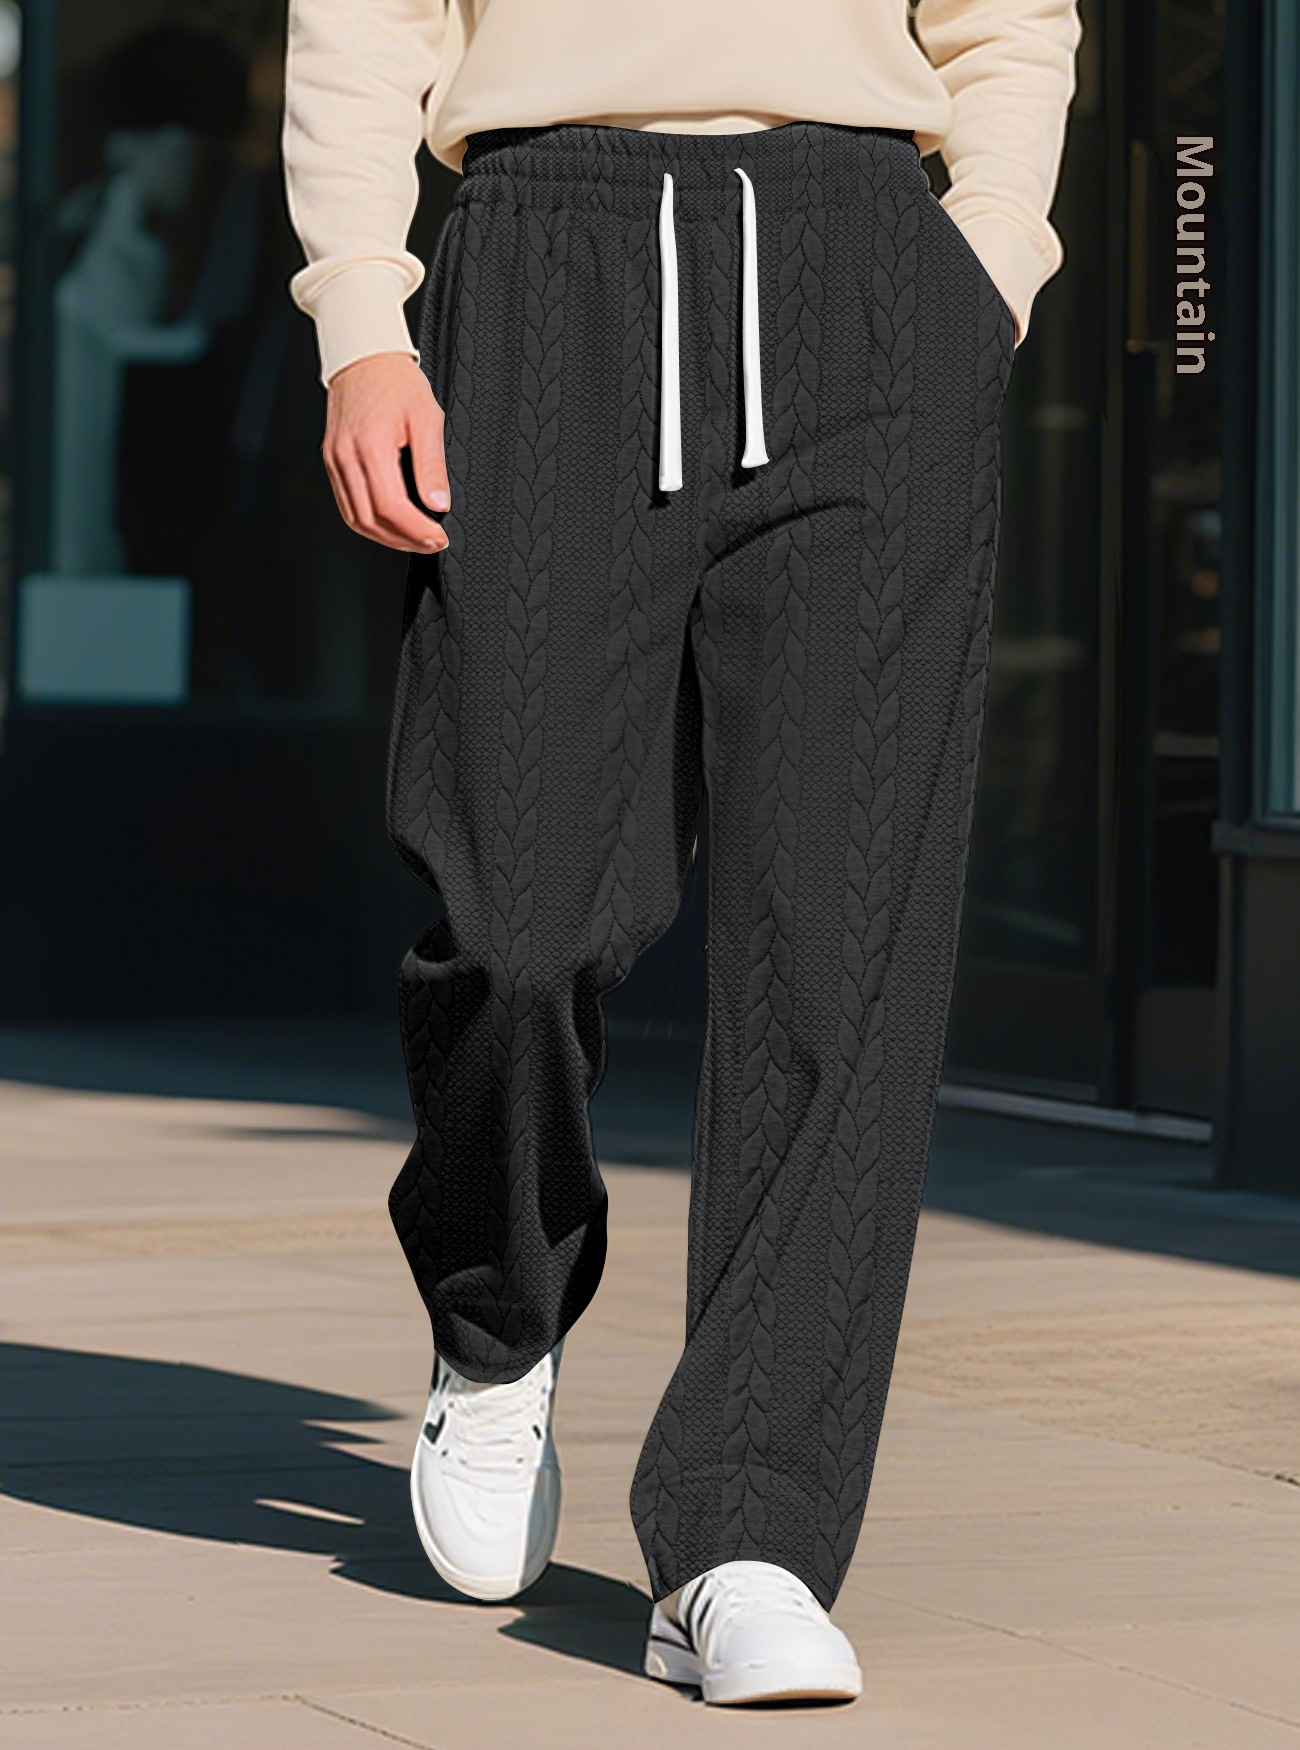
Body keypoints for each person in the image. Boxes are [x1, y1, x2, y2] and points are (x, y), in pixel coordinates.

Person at [282, 0, 1081, 1707]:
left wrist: (987, 264)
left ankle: (749, 1531)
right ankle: (498, 1315)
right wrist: (361, 315)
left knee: (841, 946)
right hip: (544, 259)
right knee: (515, 912)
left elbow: (1010, 21)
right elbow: (361, 17)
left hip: (868, 265)